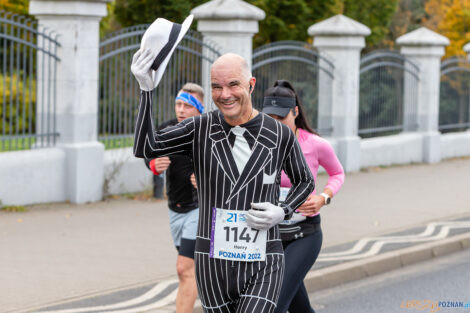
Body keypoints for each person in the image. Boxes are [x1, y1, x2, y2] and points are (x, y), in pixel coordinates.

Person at [132, 49, 315, 312]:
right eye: (216, 87)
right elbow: (146, 148)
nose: (224, 94)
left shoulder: (278, 134)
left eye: (233, 84)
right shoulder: (199, 128)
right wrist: (145, 91)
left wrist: (282, 211)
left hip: (263, 257)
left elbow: (305, 181)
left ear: (250, 85)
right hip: (212, 262)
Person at [262, 80, 345, 313]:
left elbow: (337, 173)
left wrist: (324, 197)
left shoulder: (315, 144)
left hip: (304, 234)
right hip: (271, 237)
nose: (276, 124)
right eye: (271, 118)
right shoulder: (259, 144)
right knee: (300, 308)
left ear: (295, 112)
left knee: (274, 305)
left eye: (282, 118)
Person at [145, 82, 204, 313]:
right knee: (190, 271)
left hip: (200, 207)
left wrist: (206, 177)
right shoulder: (168, 129)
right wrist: (153, 164)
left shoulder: (209, 131)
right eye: (178, 104)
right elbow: (149, 152)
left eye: (186, 106)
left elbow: (228, 164)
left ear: (198, 108)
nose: (180, 110)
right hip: (175, 208)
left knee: (184, 268)